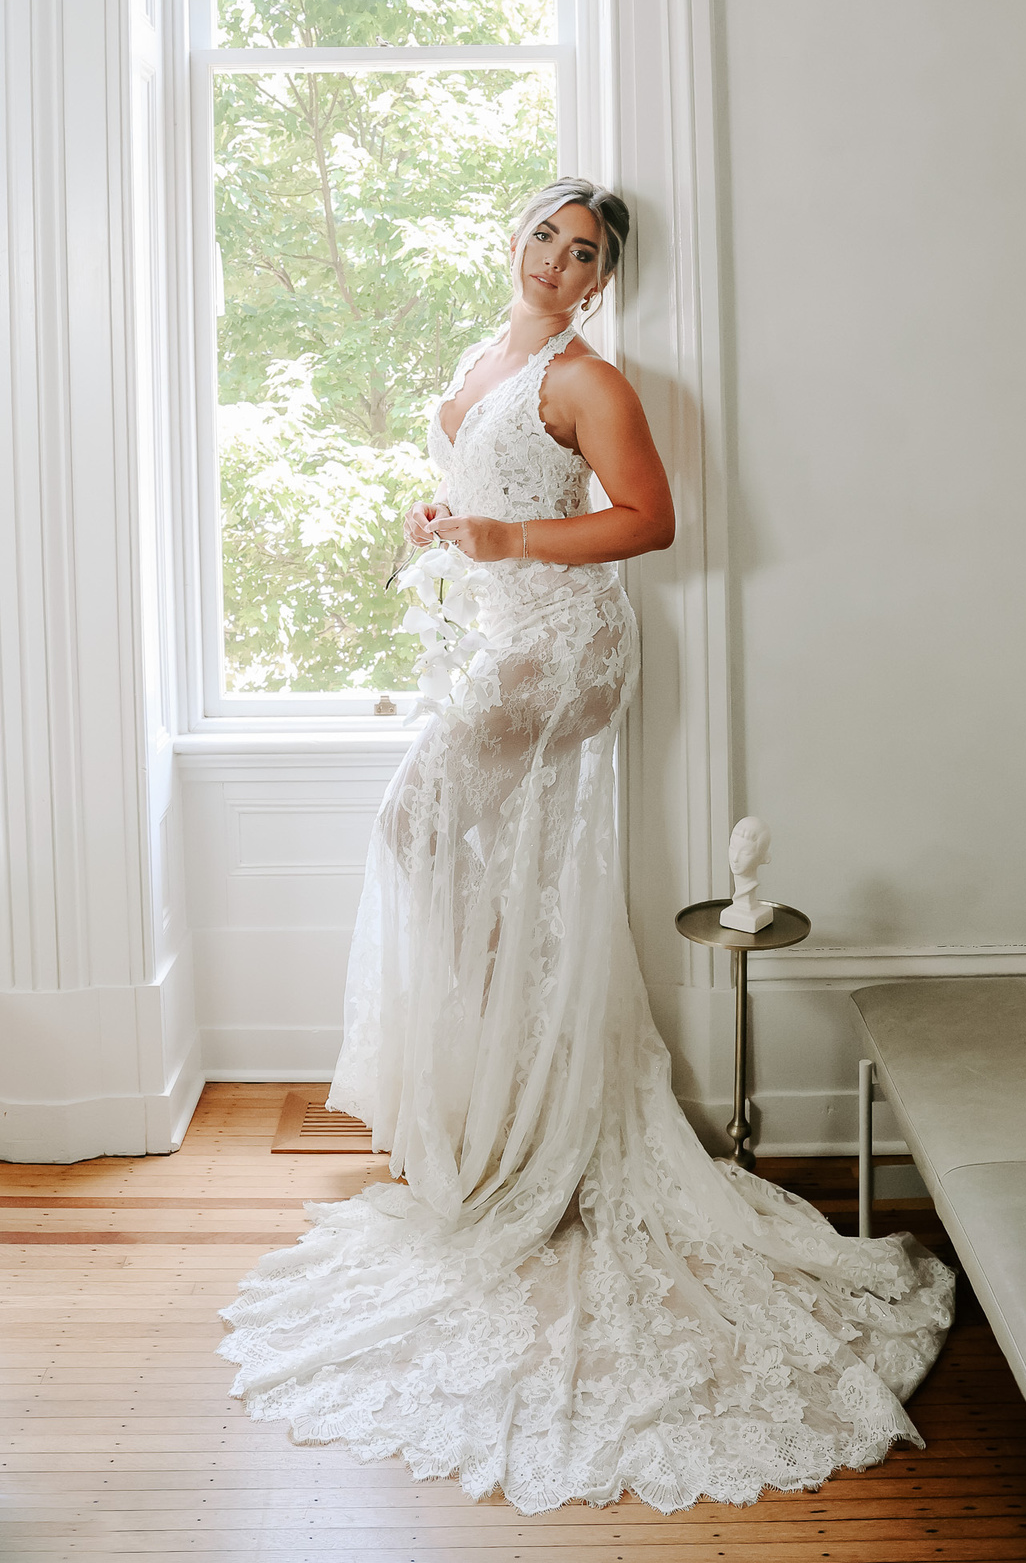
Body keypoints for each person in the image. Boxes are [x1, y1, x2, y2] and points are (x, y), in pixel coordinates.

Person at [218, 176, 953, 1516]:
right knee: (463, 865)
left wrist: (508, 537)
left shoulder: (588, 376)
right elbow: (479, 482)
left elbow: (647, 521)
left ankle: (534, 1098)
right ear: (515, 240)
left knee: (418, 826)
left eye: (589, 253)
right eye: (548, 238)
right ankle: (507, 1092)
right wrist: (444, 528)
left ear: (606, 279)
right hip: (502, 630)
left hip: (567, 648)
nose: (562, 263)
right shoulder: (482, 354)